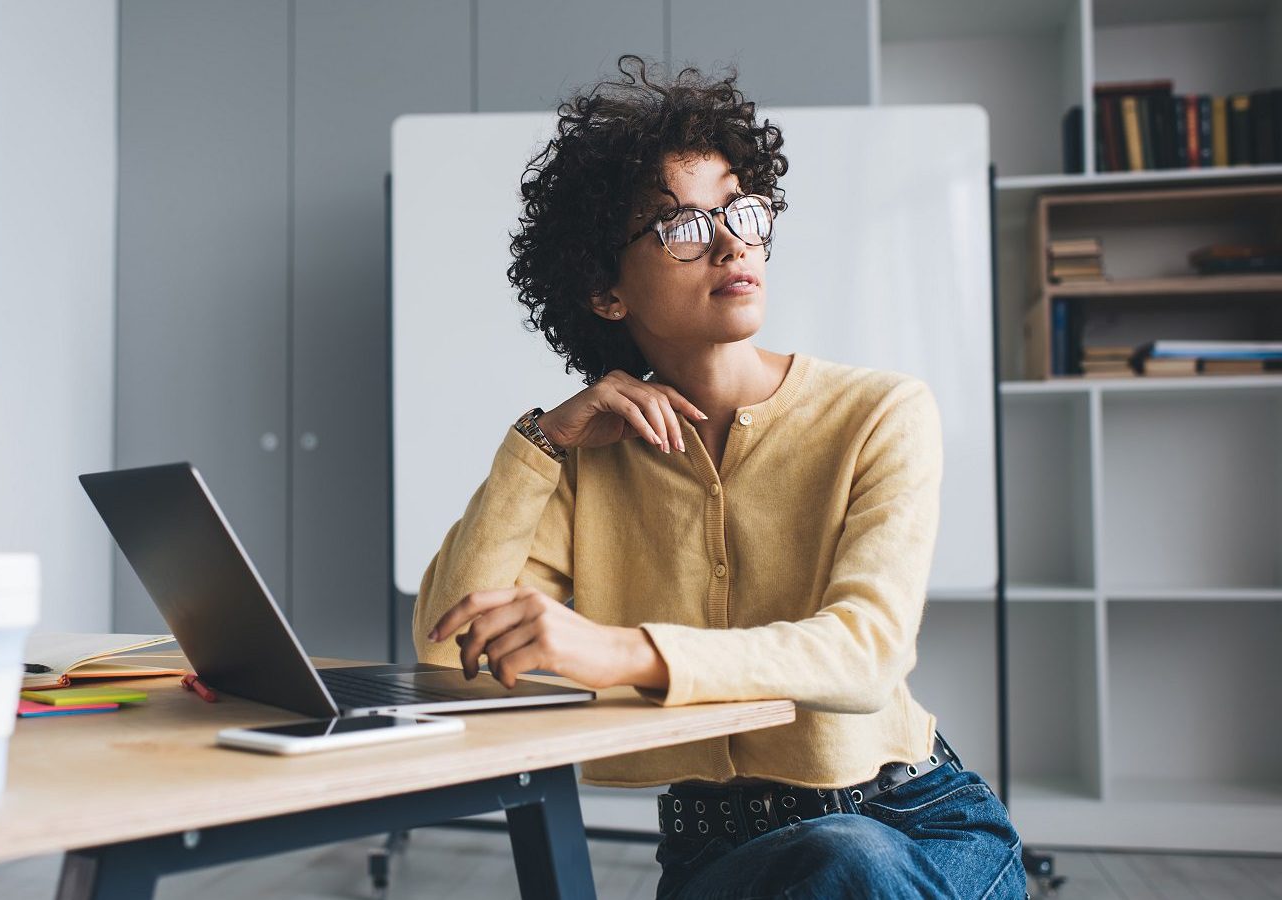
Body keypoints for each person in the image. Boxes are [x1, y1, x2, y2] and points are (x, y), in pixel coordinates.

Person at [412, 55, 1025, 899]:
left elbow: (867, 653)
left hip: (911, 825)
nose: (734, 241)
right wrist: (542, 441)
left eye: (741, 209)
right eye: (685, 226)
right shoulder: (587, 458)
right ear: (605, 291)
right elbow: (447, 653)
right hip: (715, 854)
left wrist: (621, 650)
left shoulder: (881, 412)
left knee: (850, 858)